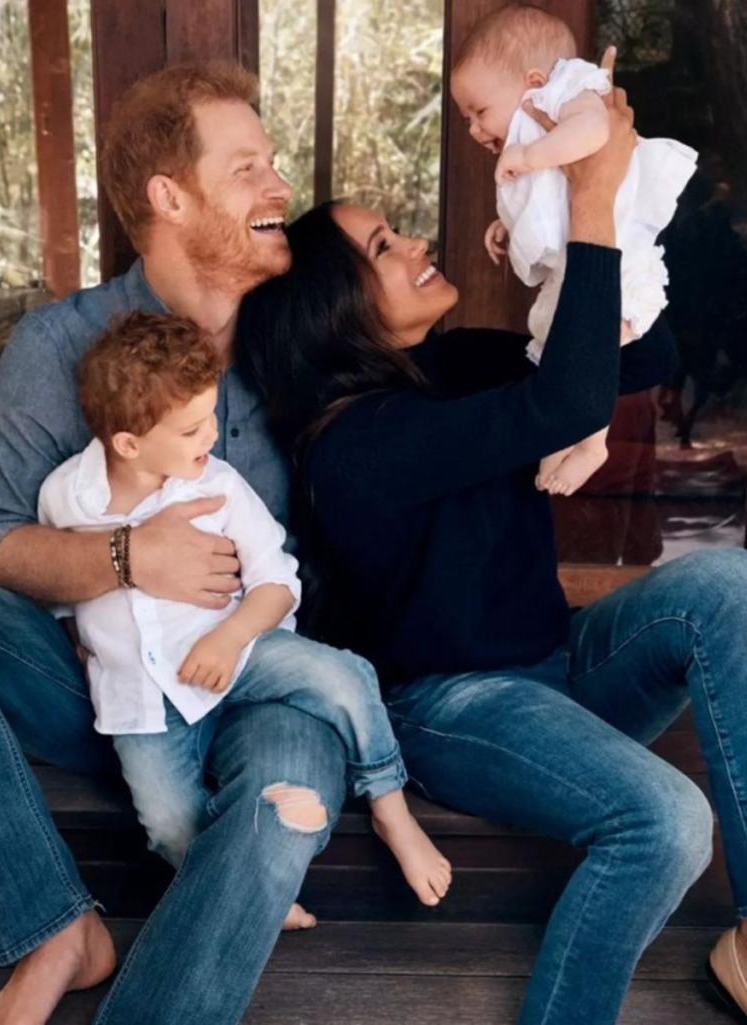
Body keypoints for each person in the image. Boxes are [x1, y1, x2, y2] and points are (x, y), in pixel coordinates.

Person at [237, 70, 747, 1025]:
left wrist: (566, 246)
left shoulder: (452, 363)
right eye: (384, 246)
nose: (417, 241)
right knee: (666, 821)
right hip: (452, 707)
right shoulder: (354, 446)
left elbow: (642, 357)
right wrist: (589, 195)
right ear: (330, 308)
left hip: (557, 665)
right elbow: (564, 403)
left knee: (726, 584)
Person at [0, 60, 363, 1025]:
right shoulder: (59, 345)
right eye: (248, 169)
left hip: (265, 678)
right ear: (169, 196)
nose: (281, 187)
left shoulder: (302, 337)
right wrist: (125, 559)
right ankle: (53, 926)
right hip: (111, 688)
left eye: (273, 164)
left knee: (282, 809)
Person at [38, 309, 451, 903]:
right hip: (143, 699)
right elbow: (61, 586)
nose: (210, 436)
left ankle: (390, 807)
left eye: (211, 416)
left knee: (345, 677)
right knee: (166, 821)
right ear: (128, 443)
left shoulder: (219, 486)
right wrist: (81, 640)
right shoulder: (65, 497)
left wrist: (229, 638)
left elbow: (278, 582)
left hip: (242, 646)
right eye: (190, 429)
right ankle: (235, 889)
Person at [450, 4, 696, 496]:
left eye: (480, 111)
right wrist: (507, 224)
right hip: (582, 257)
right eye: (466, 119)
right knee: (557, 342)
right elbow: (552, 199)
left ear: (534, 80)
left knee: (591, 345)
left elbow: (594, 133)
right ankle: (566, 432)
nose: (475, 130)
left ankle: (591, 441)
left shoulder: (571, 92)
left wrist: (529, 154)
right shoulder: (536, 128)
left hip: (619, 256)